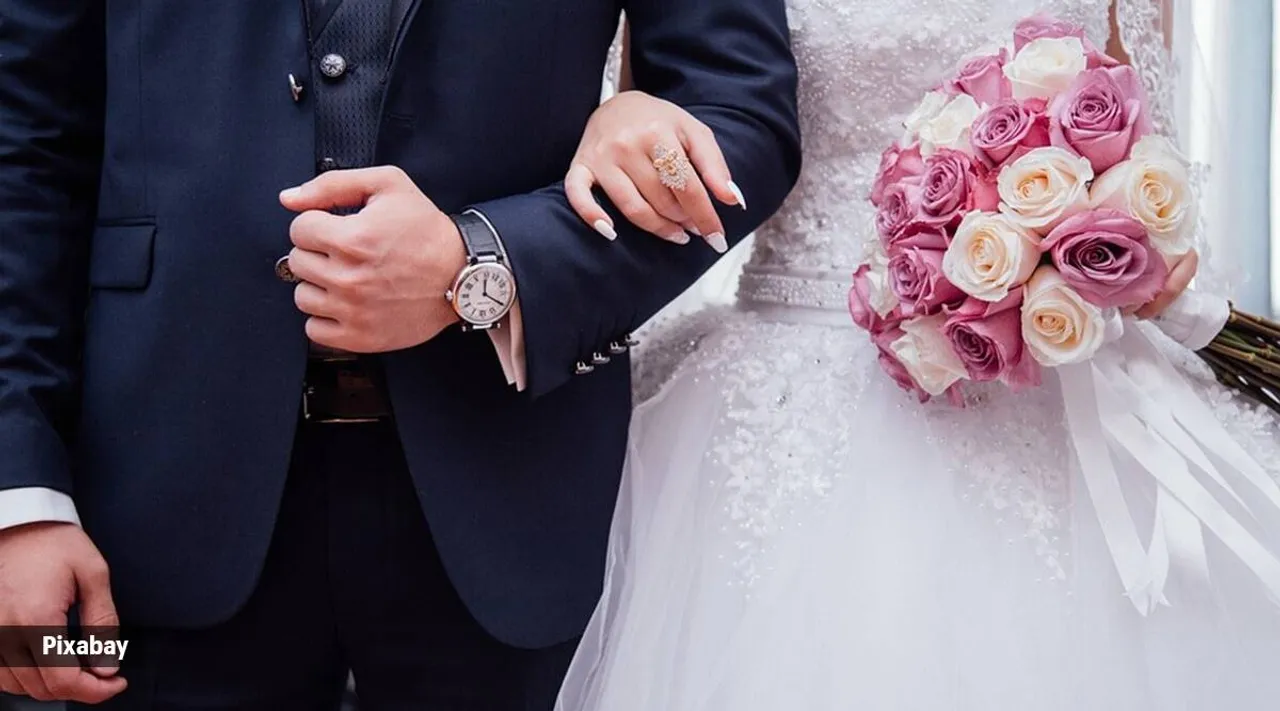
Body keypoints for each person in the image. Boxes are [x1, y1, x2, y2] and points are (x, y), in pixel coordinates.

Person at [0, 1, 799, 708]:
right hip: (151, 499)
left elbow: (740, 114)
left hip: (516, 500)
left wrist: (483, 265)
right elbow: (25, 141)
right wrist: (16, 494)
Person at [555, 1, 1280, 709]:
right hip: (793, 401)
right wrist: (618, 118)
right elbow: (679, 130)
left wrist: (1140, 249)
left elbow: (1143, 123)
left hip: (1061, 380)